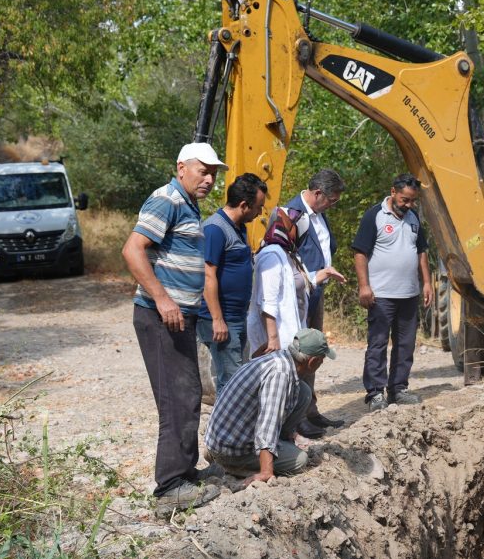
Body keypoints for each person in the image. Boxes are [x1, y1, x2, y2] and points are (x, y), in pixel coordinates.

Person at [122, 142, 228, 515]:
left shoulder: (188, 204)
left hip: (179, 318)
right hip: (158, 316)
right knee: (175, 399)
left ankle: (184, 473)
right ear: (181, 167)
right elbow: (133, 250)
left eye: (214, 172)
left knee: (189, 393)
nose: (210, 178)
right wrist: (164, 299)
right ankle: (169, 488)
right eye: (203, 170)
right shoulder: (165, 199)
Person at [204, 328, 336, 484]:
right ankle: (230, 466)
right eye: (321, 360)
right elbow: (268, 425)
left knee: (303, 392)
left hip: (222, 439)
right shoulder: (280, 375)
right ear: (312, 362)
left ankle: (278, 446)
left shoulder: (280, 358)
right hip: (230, 450)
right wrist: (267, 472)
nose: (321, 364)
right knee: (300, 460)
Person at [352, 174, 432, 411]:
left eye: (412, 201)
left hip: (409, 294)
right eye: (405, 200)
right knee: (377, 343)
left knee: (405, 344)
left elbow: (421, 251)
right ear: (393, 192)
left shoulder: (413, 218)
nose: (409, 205)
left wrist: (426, 282)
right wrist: (364, 286)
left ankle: (398, 389)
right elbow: (359, 253)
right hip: (381, 294)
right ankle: (375, 393)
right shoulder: (374, 215)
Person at [286, 169, 347, 435]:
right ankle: (295, 418)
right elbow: (283, 259)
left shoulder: (319, 215)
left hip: (316, 294)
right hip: (298, 296)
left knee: (314, 352)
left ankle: (310, 411)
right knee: (298, 355)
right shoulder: (292, 215)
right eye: (332, 200)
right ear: (318, 193)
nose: (333, 205)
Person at [197, 173, 268, 396]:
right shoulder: (215, 229)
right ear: (244, 205)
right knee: (233, 384)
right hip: (221, 319)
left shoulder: (240, 227)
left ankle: (227, 428)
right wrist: (218, 320)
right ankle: (226, 430)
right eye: (258, 207)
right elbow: (208, 276)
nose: (260, 213)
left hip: (237, 317)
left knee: (234, 380)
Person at [246, 206, 345, 360]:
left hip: (289, 335)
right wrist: (272, 339)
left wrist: (324, 273)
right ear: (289, 229)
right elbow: (267, 300)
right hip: (275, 340)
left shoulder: (289, 255)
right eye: (299, 232)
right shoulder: (271, 255)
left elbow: (296, 285)